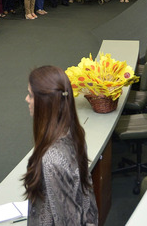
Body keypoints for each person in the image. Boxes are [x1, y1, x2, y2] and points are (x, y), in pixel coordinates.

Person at [22, 66, 97, 226]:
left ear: (45, 103)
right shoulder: (73, 133)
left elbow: (68, 221)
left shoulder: (52, 159)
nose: (26, 99)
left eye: (31, 95)